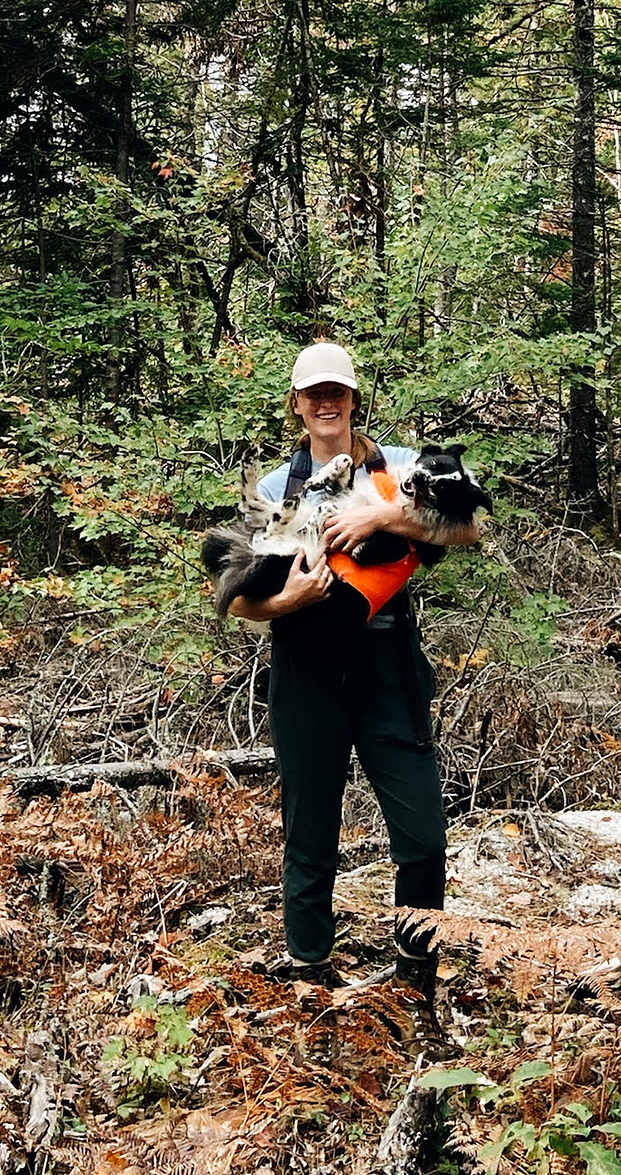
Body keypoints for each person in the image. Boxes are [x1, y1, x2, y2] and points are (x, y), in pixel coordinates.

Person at [226, 341, 481, 1000]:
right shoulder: (272, 489)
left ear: (353, 398)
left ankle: (415, 978)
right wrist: (290, 599)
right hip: (306, 666)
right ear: (297, 405)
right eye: (313, 394)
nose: (325, 402)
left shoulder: (397, 463)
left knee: (423, 837)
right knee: (310, 836)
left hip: (387, 663)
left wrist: (383, 514)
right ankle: (311, 976)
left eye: (336, 390)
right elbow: (241, 597)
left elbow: (468, 527)